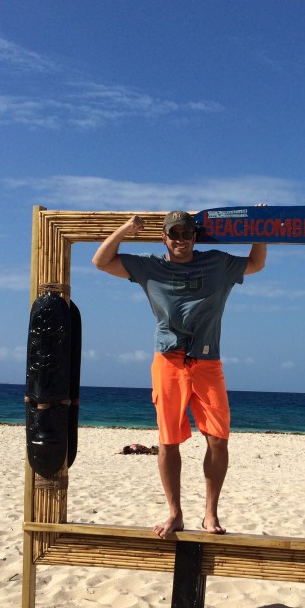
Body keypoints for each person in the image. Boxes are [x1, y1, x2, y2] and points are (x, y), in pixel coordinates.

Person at [92, 210, 266, 538]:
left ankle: (210, 515)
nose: (180, 240)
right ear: (164, 238)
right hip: (168, 362)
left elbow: (256, 263)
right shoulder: (149, 266)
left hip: (207, 361)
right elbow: (101, 261)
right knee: (168, 441)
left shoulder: (217, 263)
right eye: (174, 234)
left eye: (187, 234)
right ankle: (175, 514)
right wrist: (127, 229)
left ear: (195, 237)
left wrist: (259, 228)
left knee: (218, 439)